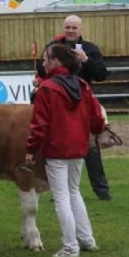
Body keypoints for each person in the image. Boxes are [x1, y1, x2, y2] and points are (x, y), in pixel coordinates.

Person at [26, 43, 104, 257]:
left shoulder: (47, 88)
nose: (43, 63)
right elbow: (97, 118)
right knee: (73, 191)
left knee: (61, 196)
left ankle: (71, 247)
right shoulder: (81, 85)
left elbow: (39, 124)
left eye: (46, 59)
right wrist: (94, 132)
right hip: (79, 148)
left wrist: (31, 149)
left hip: (56, 149)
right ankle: (87, 239)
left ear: (56, 61)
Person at [36, 15, 111, 201]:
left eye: (74, 27)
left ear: (80, 30)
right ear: (63, 28)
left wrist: (86, 61)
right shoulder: (53, 46)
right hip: (58, 103)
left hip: (83, 103)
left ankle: (101, 191)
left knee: (91, 148)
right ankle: (59, 191)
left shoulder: (90, 49)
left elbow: (102, 74)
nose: (70, 30)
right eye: (67, 27)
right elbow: (41, 68)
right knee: (57, 146)